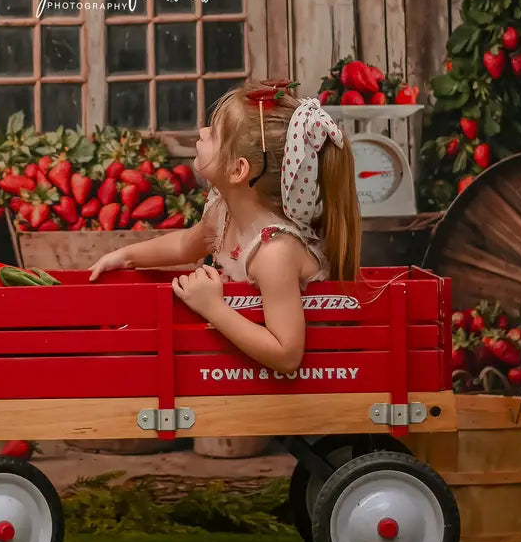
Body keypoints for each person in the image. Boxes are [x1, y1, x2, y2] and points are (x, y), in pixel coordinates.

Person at [89, 82, 361, 373]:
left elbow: (287, 355)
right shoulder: (224, 215)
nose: (202, 132)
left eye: (214, 133)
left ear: (238, 170)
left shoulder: (274, 252)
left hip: (311, 383)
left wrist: (213, 308)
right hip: (235, 376)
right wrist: (125, 257)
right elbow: (183, 245)